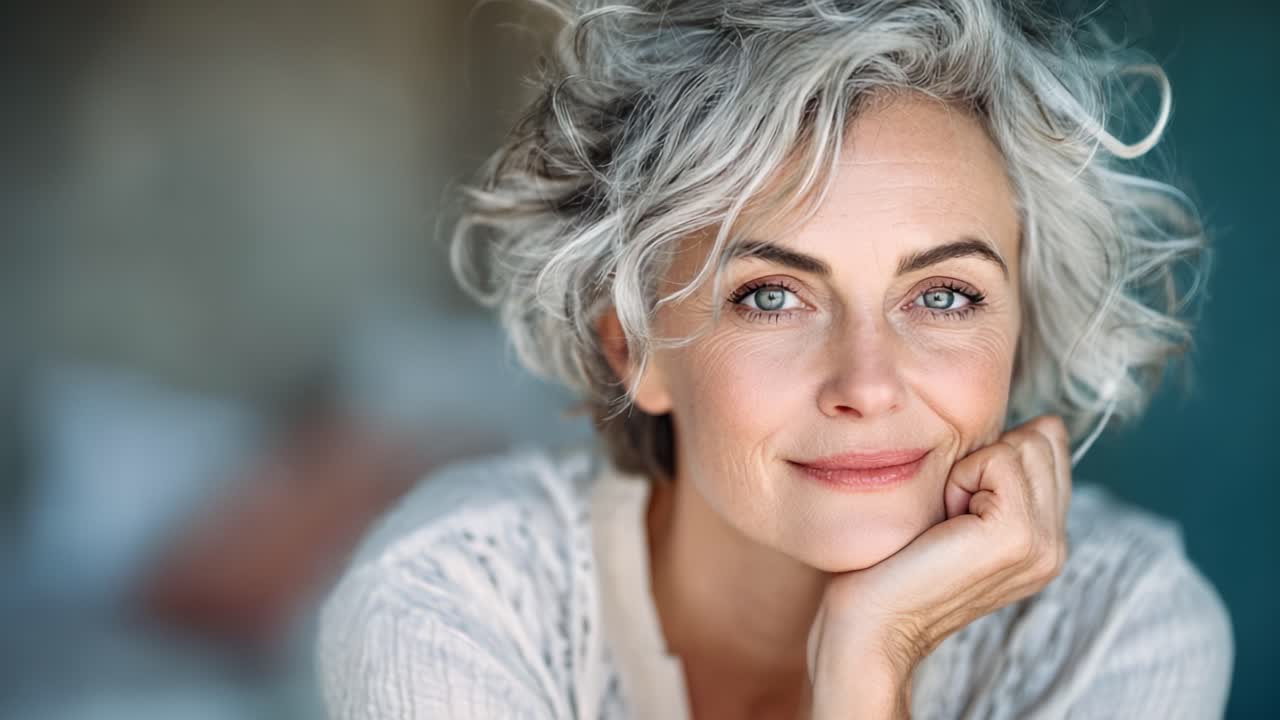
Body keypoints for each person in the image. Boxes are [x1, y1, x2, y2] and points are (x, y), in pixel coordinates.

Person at [317, 1, 1234, 717]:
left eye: (944, 296)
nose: (867, 385)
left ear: (1019, 326)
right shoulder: (450, 602)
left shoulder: (1124, 629)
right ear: (633, 347)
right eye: (771, 297)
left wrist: (870, 660)